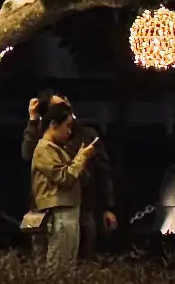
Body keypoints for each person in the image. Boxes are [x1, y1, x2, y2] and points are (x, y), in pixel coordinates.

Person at [24, 90, 117, 244]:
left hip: (82, 207)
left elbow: (102, 173)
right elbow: (28, 154)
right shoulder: (43, 139)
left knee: (80, 256)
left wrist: (108, 207)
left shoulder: (85, 134)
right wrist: (33, 121)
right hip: (46, 209)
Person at [30, 101, 99, 267]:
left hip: (67, 213)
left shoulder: (57, 149)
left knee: (65, 267)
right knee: (58, 268)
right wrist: (81, 158)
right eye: (67, 126)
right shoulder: (44, 149)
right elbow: (64, 177)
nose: (69, 132)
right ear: (53, 124)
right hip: (58, 214)